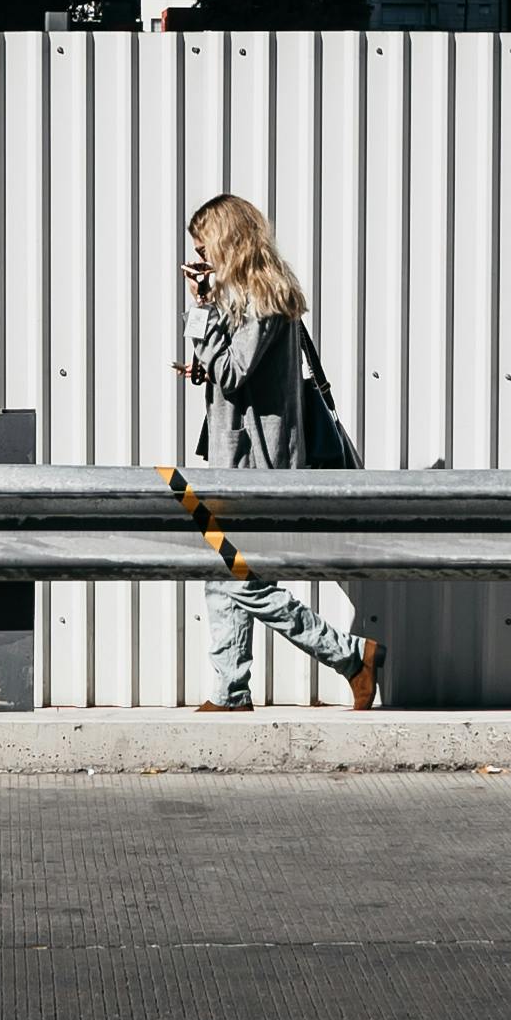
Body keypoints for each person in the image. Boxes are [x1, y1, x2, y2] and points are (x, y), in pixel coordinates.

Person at [177, 191, 382, 714]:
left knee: (240, 578)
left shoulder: (262, 301)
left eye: (204, 247)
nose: (200, 259)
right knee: (220, 575)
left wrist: (199, 313)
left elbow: (234, 372)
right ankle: (230, 692)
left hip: (255, 466)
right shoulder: (247, 299)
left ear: (226, 241)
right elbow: (234, 375)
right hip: (238, 461)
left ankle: (351, 656)